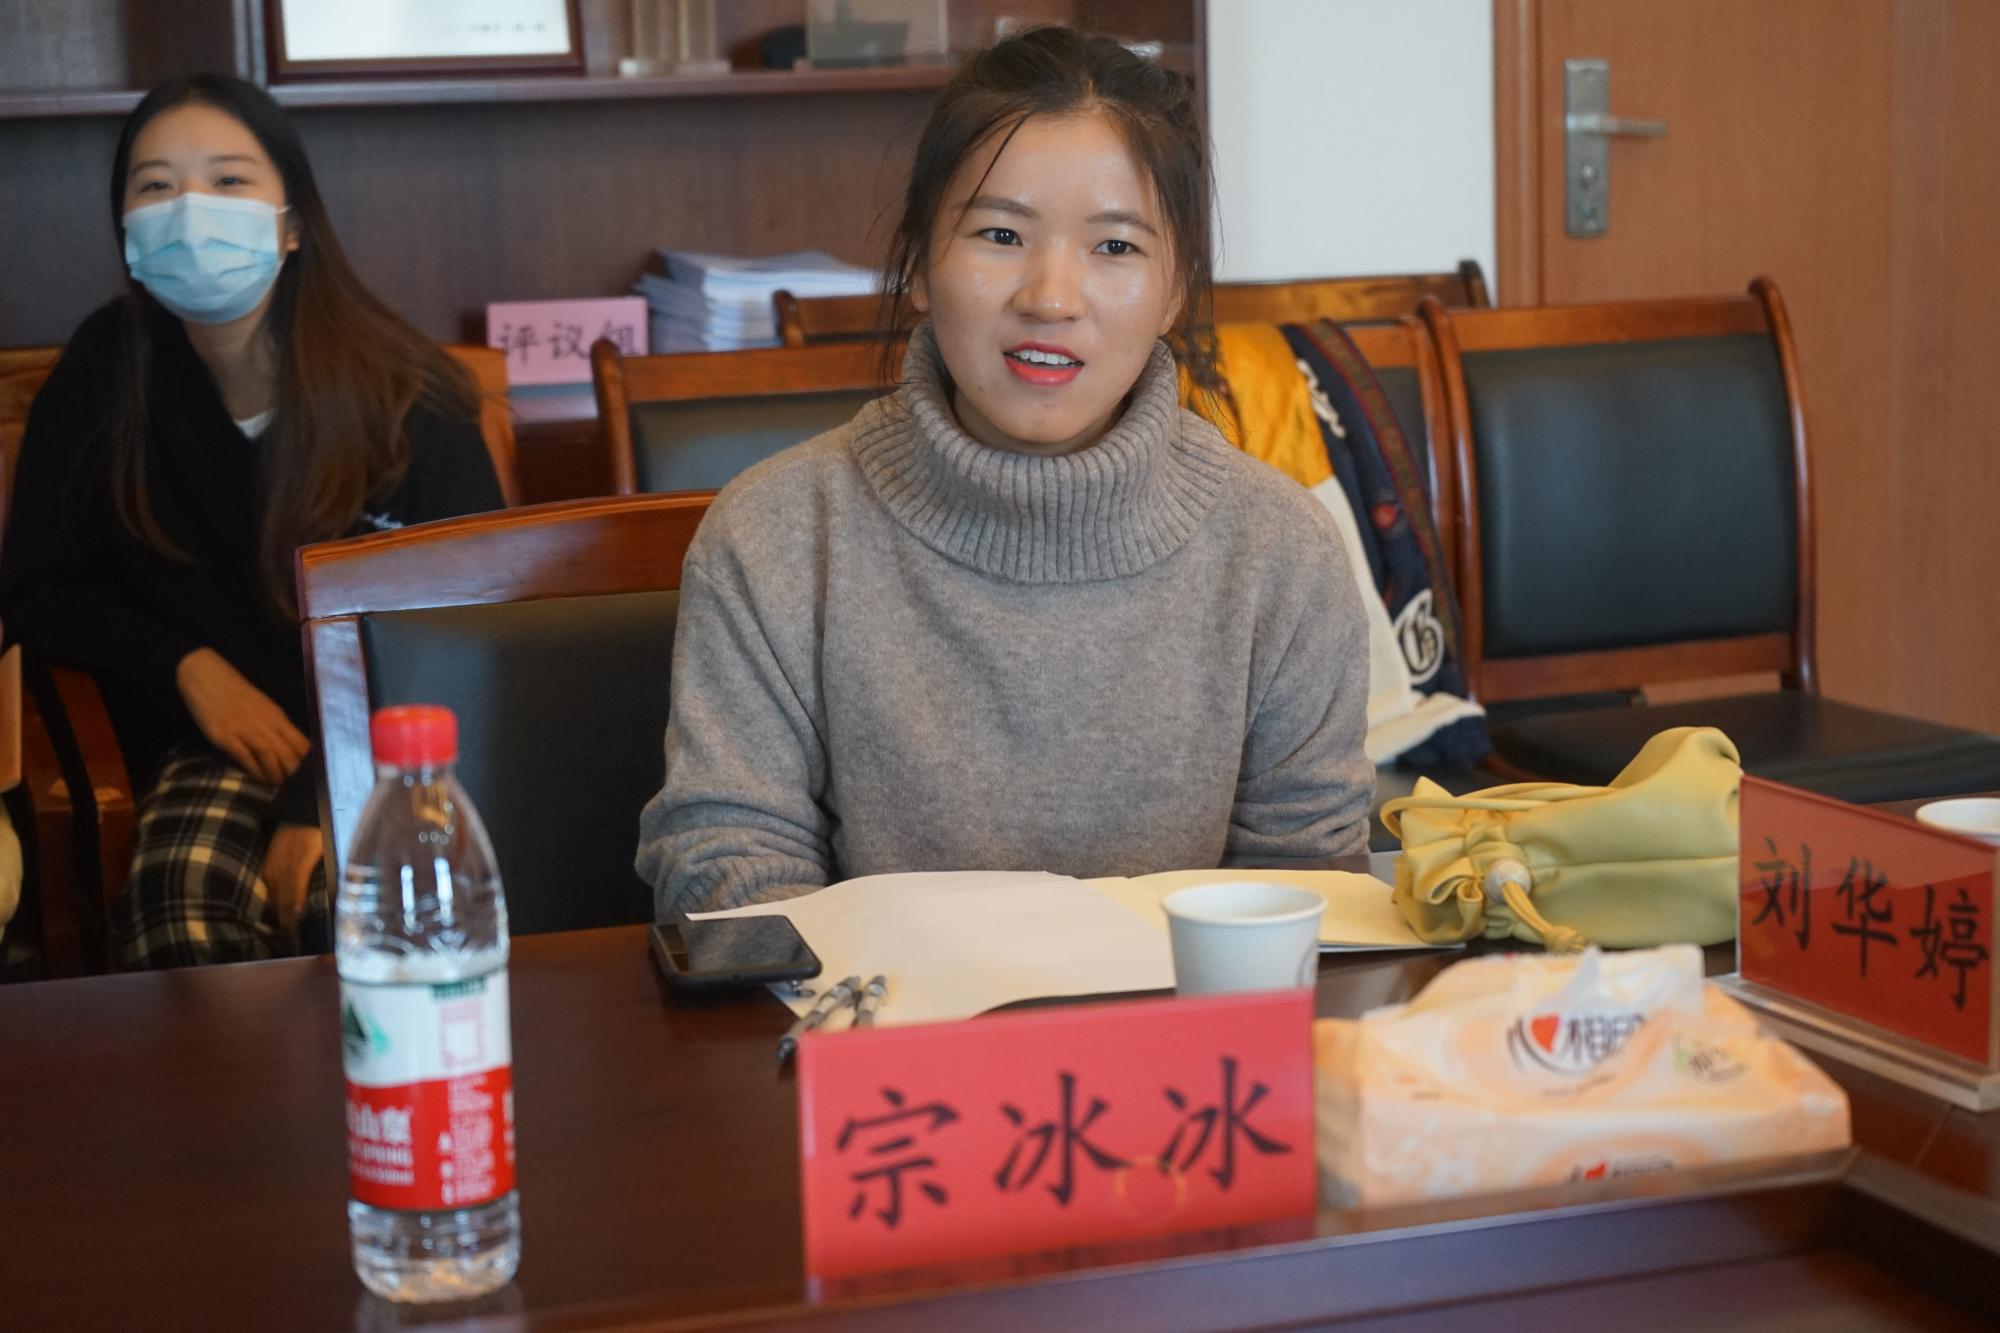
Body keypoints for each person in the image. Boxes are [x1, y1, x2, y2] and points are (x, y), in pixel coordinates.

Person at [639, 27, 1373, 916]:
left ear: (1177, 288)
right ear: (919, 263)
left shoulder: (1282, 552)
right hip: (872, 1007)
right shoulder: (776, 535)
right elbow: (727, 863)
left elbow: (1305, 889)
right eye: (1000, 233)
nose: (1050, 297)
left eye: (1115, 248)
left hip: (1188, 1012)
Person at [0, 75, 504, 968]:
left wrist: (317, 801)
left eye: (228, 180)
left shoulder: (405, 394)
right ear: (126, 228)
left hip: (399, 737)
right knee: (180, 912)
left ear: (293, 220)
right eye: (156, 186)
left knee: (360, 915)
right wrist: (187, 666)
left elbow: (471, 617)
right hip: (210, 744)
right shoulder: (106, 370)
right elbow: (42, 586)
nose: (190, 211)